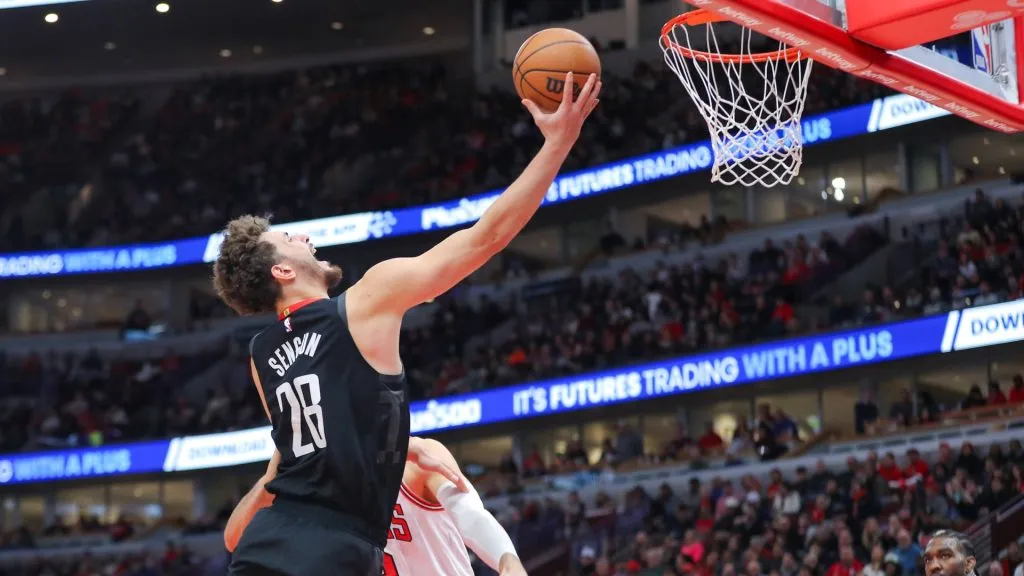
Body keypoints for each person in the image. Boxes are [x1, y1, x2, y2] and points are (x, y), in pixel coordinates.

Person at [213, 71, 602, 576]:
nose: (304, 239)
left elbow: (310, 450)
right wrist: (558, 144)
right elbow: (487, 236)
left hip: (273, 542)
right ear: (282, 272)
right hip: (336, 547)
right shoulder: (365, 301)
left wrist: (408, 445)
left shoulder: (262, 353)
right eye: (290, 240)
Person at [225, 437, 526, 576]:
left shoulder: (417, 459)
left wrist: (506, 559)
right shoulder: (316, 484)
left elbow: (468, 512)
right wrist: (271, 479)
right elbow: (235, 538)